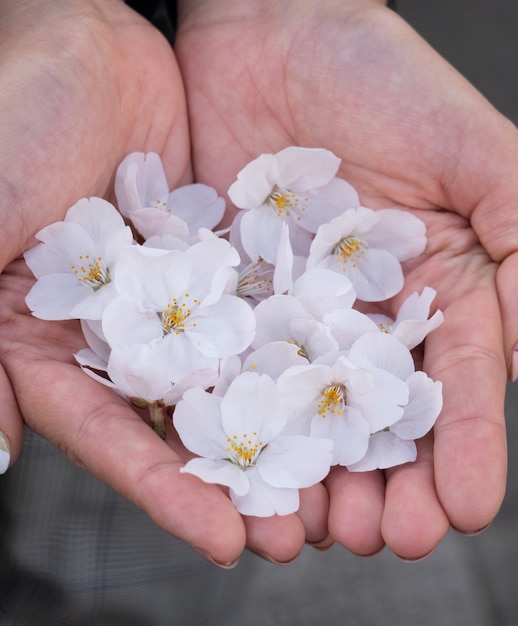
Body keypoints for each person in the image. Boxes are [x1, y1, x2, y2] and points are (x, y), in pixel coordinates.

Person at [0, 0, 515, 612]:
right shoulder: (156, 290)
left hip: (164, 421)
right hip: (75, 352)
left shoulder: (245, 308)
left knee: (140, 548)